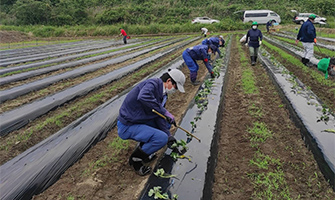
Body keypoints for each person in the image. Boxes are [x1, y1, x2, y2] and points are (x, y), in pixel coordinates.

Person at [117, 69, 186, 175]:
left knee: (166, 125)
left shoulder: (163, 95)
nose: (175, 90)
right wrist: (164, 111)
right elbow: (143, 96)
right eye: (175, 87)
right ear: (168, 81)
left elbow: (157, 116)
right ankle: (136, 160)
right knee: (160, 138)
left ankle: (144, 148)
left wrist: (169, 137)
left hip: (140, 120)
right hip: (128, 125)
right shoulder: (153, 84)